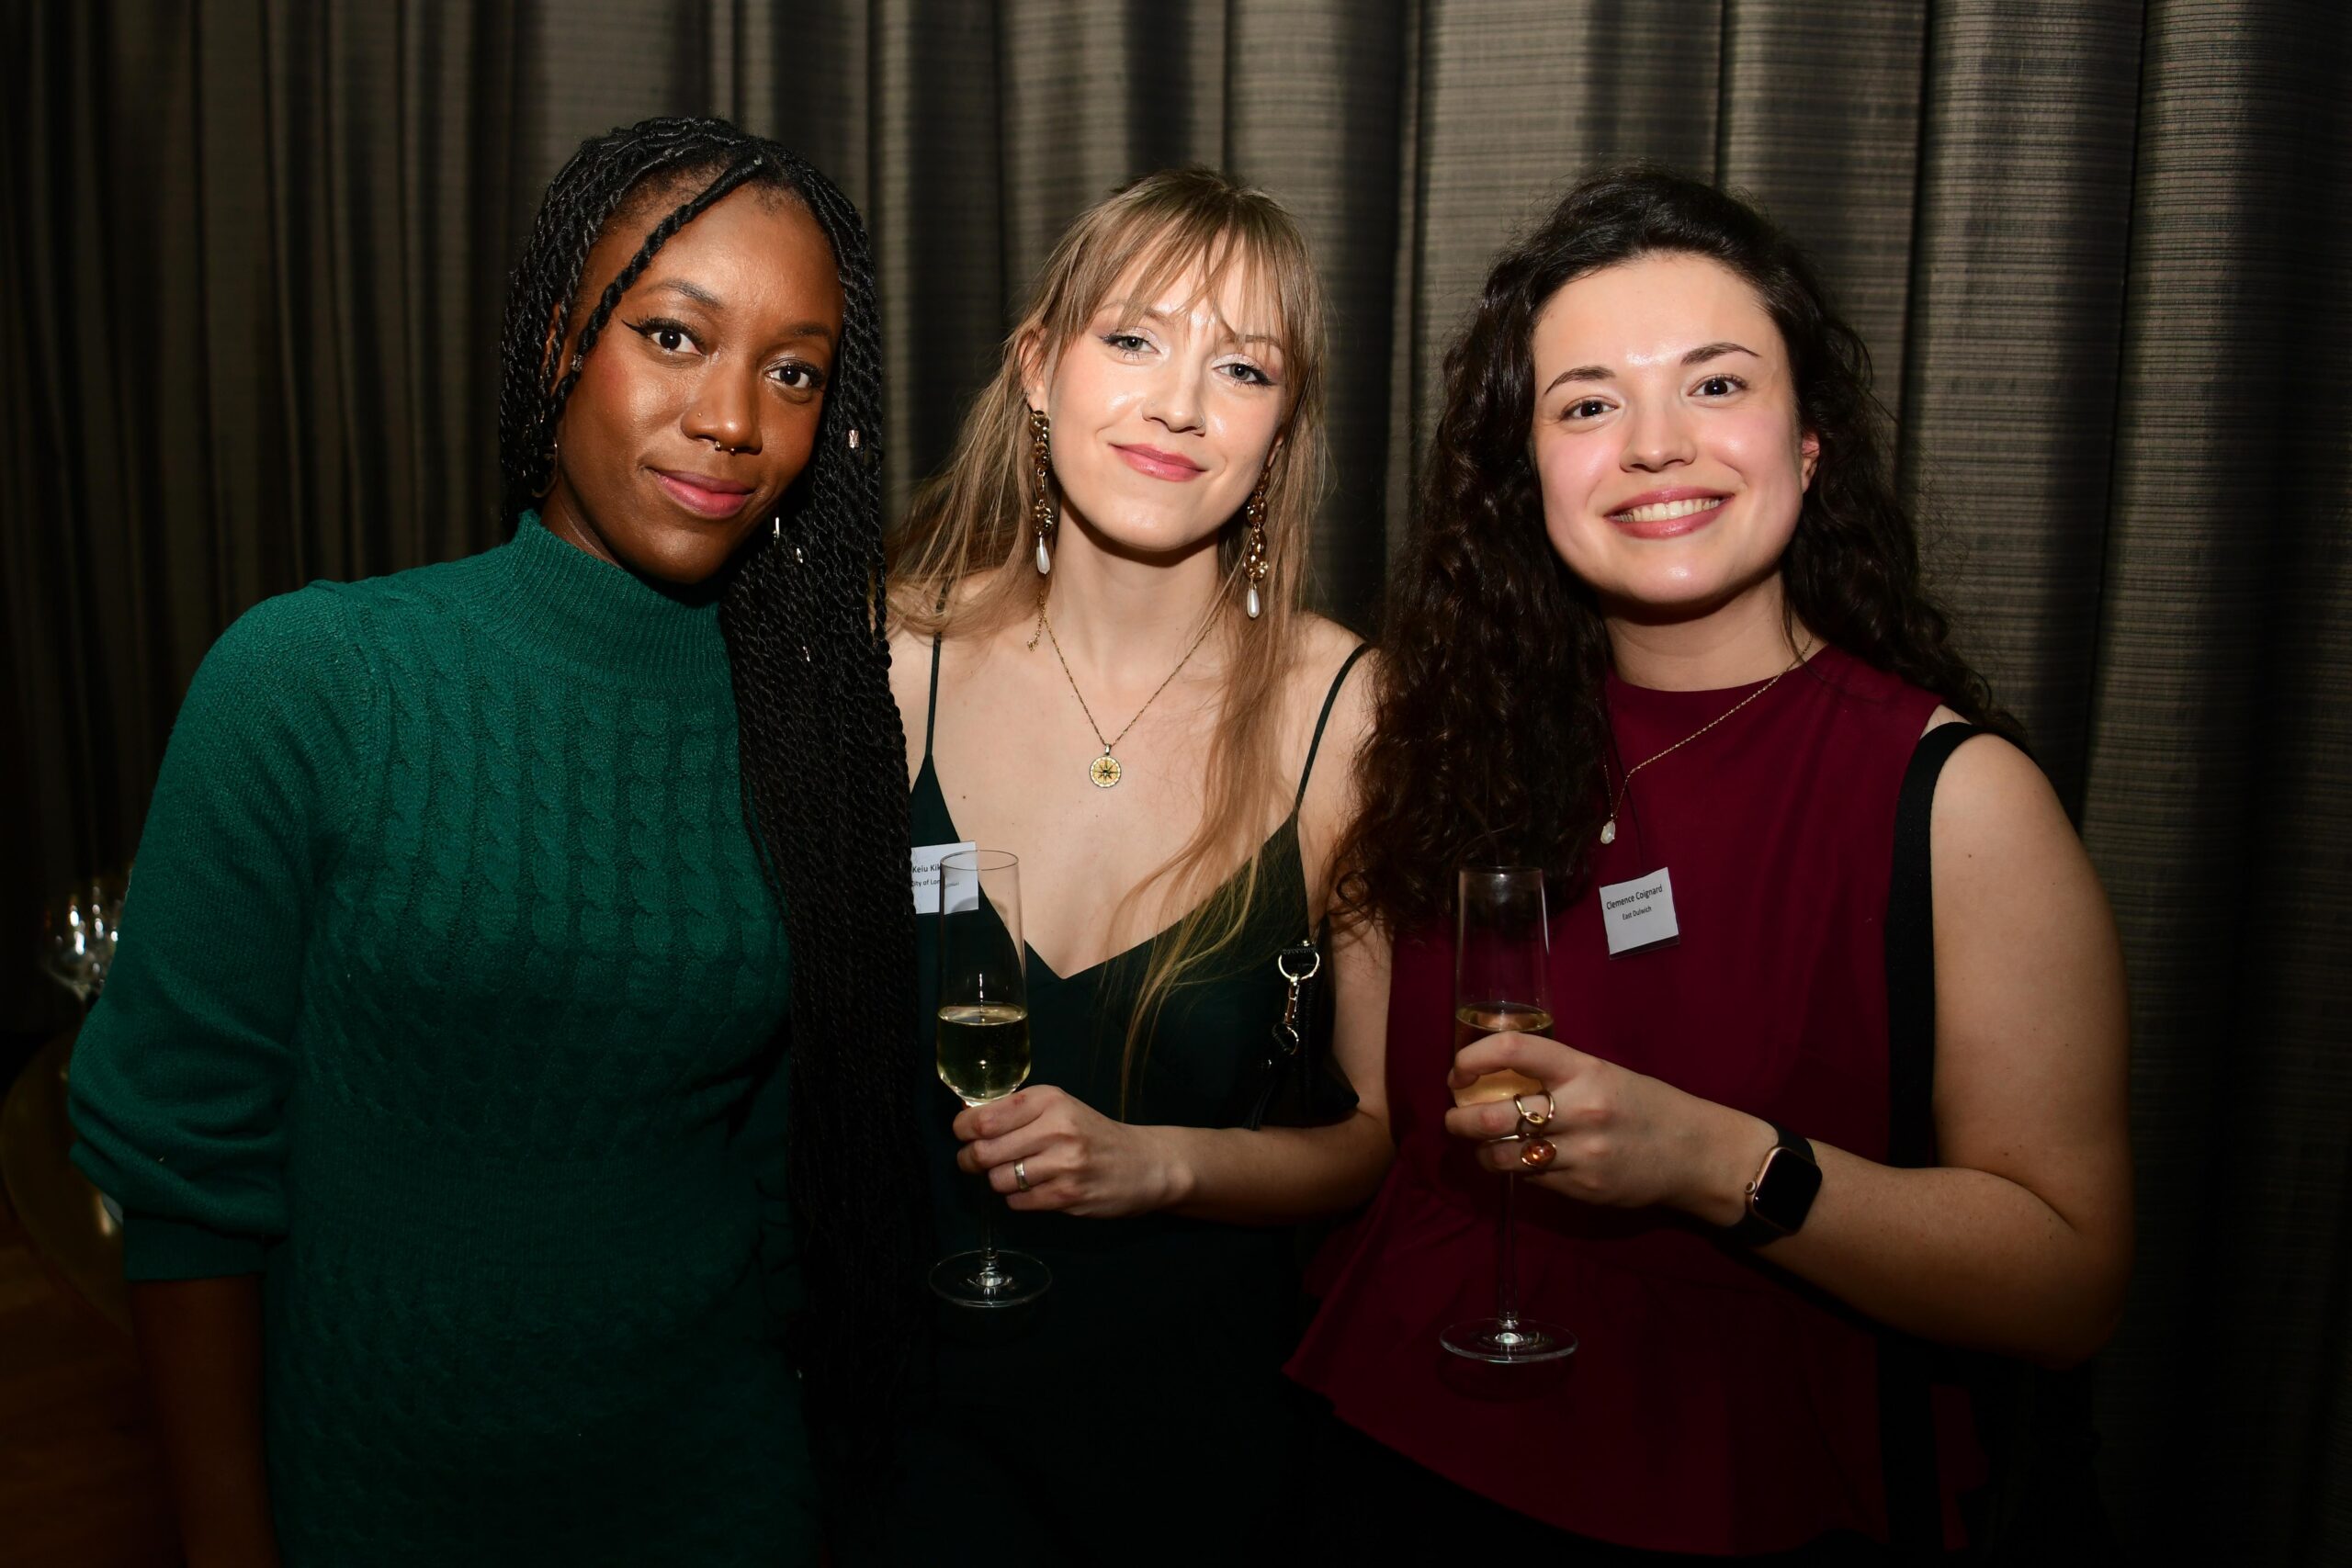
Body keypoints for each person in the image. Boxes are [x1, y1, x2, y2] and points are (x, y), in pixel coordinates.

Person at [67, 117, 923, 1566]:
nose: (733, 418)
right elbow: (183, 1177)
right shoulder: (311, 680)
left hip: (718, 1487)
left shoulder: (813, 736)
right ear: (554, 348)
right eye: (672, 336)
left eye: (793, 372)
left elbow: (789, 1164)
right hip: (374, 1492)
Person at [1290, 167, 2133, 1561]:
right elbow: (1385, 1139)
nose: (1655, 446)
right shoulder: (1441, 749)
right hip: (1401, 1455)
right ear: (1525, 476)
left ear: (1809, 445)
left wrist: (1717, 1161)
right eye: (1588, 406)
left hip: (1748, 1494)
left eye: (1717, 385)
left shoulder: (1955, 799)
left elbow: (2068, 1285)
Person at [879, 167, 1389, 1564]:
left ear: (1280, 428)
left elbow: (1380, 1144)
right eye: (1134, 339)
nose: (1180, 404)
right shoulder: (887, 662)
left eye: (1242, 367)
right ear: (1038, 368)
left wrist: (1158, 1166)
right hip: (897, 1428)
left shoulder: (1346, 715)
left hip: (1200, 1448)